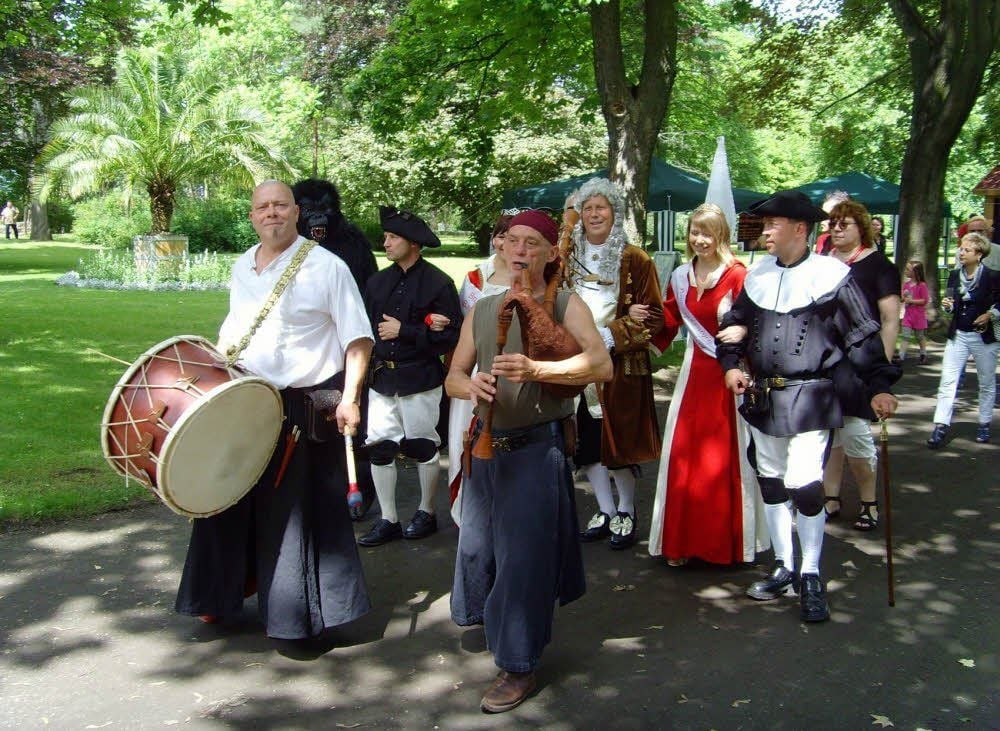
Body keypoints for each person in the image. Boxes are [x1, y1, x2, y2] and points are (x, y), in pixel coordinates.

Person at [175, 181, 374, 639]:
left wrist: (350, 397)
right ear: (252, 216)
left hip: (303, 406)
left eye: (281, 206)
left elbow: (358, 338)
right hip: (244, 398)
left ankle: (295, 616)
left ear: (296, 213)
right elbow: (235, 329)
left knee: (294, 509)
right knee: (226, 494)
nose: (272, 214)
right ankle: (219, 594)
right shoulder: (243, 264)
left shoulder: (328, 268)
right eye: (263, 207)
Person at [446, 209, 612, 713]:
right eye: (512, 241)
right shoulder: (484, 307)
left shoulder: (566, 304)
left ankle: (518, 663)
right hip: (485, 449)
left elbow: (600, 364)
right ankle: (488, 619)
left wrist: (540, 366)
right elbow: (453, 373)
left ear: (550, 253)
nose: (519, 251)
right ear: (501, 247)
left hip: (538, 449)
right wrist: (469, 384)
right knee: (476, 548)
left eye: (532, 243)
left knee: (524, 562)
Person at [717, 190, 900, 623]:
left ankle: (811, 571)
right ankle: (784, 565)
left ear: (800, 230)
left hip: (812, 397)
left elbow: (862, 334)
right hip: (763, 395)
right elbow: (732, 325)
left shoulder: (832, 275)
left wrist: (880, 384)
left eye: (772, 225)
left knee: (805, 484)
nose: (764, 233)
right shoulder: (758, 275)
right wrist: (730, 365)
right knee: (772, 481)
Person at [647, 203, 768, 566]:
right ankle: (681, 543)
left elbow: (754, 320)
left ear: (721, 236)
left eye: (707, 233)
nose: (699, 240)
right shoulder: (682, 275)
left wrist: (744, 333)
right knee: (685, 454)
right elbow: (667, 317)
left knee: (723, 456)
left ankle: (725, 545)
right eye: (694, 232)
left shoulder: (737, 275)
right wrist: (638, 324)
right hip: (693, 372)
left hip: (727, 376)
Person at [566, 178, 663, 550]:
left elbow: (653, 317)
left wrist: (609, 337)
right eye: (587, 208)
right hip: (574, 363)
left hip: (619, 368)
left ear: (614, 213)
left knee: (617, 442)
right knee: (586, 443)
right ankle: (604, 508)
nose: (593, 214)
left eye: (601, 208)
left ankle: (626, 509)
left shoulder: (635, 259)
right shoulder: (566, 260)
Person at [359, 206, 462, 546]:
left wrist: (407, 330)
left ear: (413, 243)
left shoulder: (438, 284)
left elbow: (451, 337)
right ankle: (388, 518)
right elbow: (365, 330)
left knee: (421, 444)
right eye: (385, 237)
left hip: (420, 379)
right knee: (380, 447)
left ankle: (426, 511)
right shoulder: (377, 283)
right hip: (381, 380)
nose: (385, 243)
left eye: (392, 238)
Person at [292, 178, 380, 520]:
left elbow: (366, 300)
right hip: (303, 351)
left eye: (325, 211)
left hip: (345, 347)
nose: (319, 221)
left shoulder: (351, 243)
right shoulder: (290, 246)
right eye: (311, 212)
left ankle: (358, 492)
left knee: (349, 419)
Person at [821, 200, 900, 532]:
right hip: (825, 363)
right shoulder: (821, 264)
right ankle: (831, 497)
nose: (837, 229)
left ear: (861, 228)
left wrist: (878, 368)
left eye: (845, 224)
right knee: (829, 437)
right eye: (833, 224)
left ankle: (869, 501)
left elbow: (890, 319)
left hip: (861, 363)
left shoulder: (879, 266)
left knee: (855, 436)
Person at [446, 215, 512, 516]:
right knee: (468, 435)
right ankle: (468, 508)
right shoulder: (476, 277)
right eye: (500, 236)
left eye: (510, 237)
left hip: (516, 368)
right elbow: (466, 330)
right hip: (477, 369)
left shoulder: (536, 276)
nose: (504, 244)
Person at [927, 232, 1000, 447]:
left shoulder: (993, 276)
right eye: (961, 249)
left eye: (967, 250)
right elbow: (949, 301)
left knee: (986, 381)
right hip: (958, 334)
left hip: (983, 336)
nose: (961, 252)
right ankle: (940, 425)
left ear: (979, 255)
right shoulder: (954, 275)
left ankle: (984, 423)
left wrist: (989, 315)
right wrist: (947, 305)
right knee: (948, 380)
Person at [897, 260, 930, 365]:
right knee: (905, 336)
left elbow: (924, 300)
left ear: (915, 272)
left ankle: (923, 354)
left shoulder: (922, 285)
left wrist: (911, 301)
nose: (905, 271)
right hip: (908, 316)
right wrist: (902, 297)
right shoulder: (906, 285)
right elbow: (903, 298)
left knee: (920, 336)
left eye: (908, 269)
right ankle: (901, 356)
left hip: (918, 316)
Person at [813, 190, 849, 256]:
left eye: (828, 215)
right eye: (822, 214)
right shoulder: (822, 240)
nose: (822, 219)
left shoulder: (851, 243)